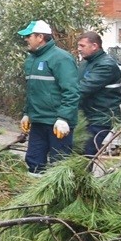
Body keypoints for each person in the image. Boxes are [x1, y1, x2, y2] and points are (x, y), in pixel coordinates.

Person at [17, 20, 80, 174]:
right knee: (34, 161)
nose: (26, 39)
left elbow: (71, 91)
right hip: (38, 121)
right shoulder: (31, 60)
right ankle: (36, 196)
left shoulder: (61, 58)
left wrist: (64, 118)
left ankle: (59, 197)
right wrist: (27, 113)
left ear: (40, 37)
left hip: (57, 123)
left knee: (59, 164)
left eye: (28, 36)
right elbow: (32, 90)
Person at [76, 30, 121, 157]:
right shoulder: (86, 62)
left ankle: (84, 176)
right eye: (78, 45)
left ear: (95, 46)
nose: (79, 49)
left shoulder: (106, 65)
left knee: (86, 152)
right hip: (86, 116)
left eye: (82, 46)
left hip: (100, 118)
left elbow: (83, 88)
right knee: (78, 151)